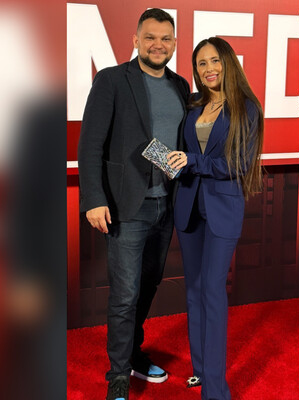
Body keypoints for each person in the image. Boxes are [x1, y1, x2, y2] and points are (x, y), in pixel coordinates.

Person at [77, 8, 190, 400]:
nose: (158, 44)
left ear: (174, 43)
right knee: (125, 294)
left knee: (147, 286)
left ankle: (133, 353)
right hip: (127, 206)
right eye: (150, 37)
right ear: (136, 40)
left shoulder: (180, 84)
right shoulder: (112, 79)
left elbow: (172, 145)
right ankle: (119, 376)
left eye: (165, 38)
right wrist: (93, 199)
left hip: (166, 205)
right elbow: (90, 144)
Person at [166, 37, 264, 400]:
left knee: (211, 289)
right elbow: (184, 155)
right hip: (188, 206)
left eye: (215, 61)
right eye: (201, 63)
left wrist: (193, 161)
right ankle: (200, 370)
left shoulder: (246, 108)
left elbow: (238, 164)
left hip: (223, 209)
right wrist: (169, 162)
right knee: (193, 290)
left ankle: (216, 389)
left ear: (228, 63)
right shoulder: (194, 106)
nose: (209, 69)